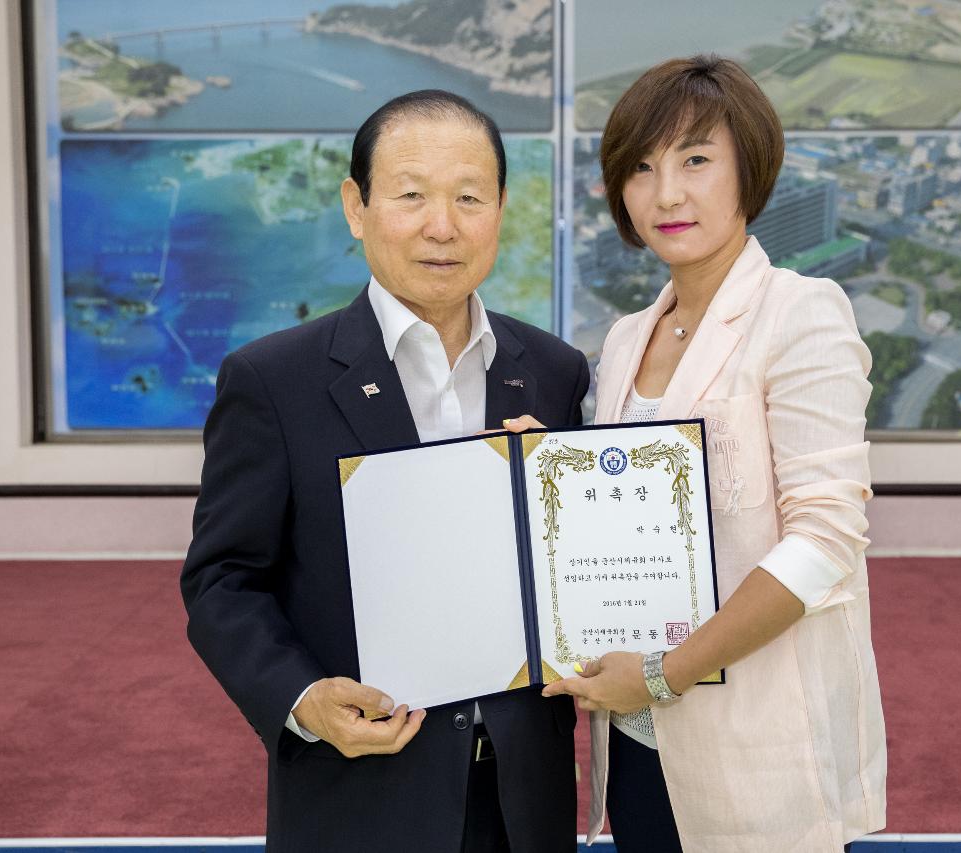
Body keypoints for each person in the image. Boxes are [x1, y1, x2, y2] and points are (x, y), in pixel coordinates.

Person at [181, 90, 587, 853]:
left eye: (469, 196)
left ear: (501, 208)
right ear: (356, 206)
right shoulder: (274, 379)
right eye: (410, 195)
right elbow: (222, 580)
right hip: (359, 795)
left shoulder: (554, 373)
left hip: (522, 799)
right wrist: (301, 698)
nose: (443, 225)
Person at [541, 56, 886, 852]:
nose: (667, 193)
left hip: (755, 733)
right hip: (633, 734)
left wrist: (667, 670)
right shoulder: (627, 338)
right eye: (641, 168)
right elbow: (620, 511)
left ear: (749, 168)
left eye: (696, 160)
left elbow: (825, 543)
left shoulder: (802, 312)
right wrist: (541, 463)